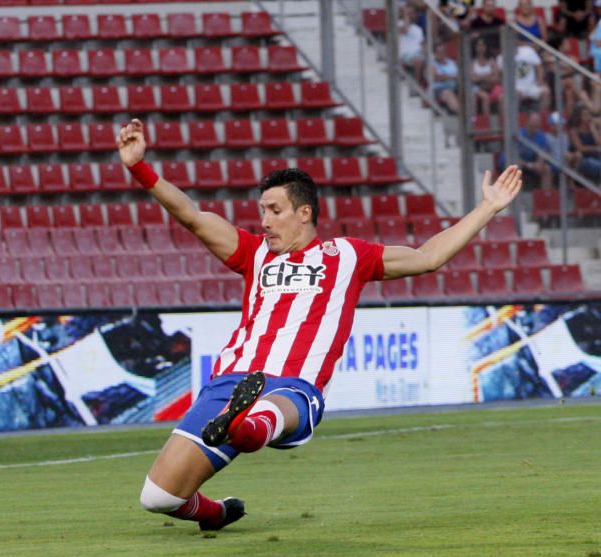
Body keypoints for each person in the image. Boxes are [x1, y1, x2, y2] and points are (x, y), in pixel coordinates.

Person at [116, 118, 523, 531]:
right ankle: (218, 510)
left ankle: (245, 425)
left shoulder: (348, 256)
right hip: (231, 380)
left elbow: (428, 257)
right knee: (158, 497)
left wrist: (487, 207)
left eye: (275, 211)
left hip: (294, 385)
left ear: (304, 212)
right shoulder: (254, 253)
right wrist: (139, 168)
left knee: (266, 417)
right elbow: (191, 215)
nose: (265, 222)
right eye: (262, 212)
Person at [567, 104, 601, 179]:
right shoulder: (574, 131)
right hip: (582, 159)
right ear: (579, 117)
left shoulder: (593, 129)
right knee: (594, 164)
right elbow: (581, 148)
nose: (588, 117)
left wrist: (593, 129)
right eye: (585, 115)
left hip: (596, 157)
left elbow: (599, 144)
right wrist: (595, 149)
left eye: (589, 115)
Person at [472, 37, 501, 115]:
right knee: (485, 97)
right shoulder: (472, 62)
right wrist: (488, 76)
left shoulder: (491, 61)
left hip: (491, 87)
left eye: (483, 45)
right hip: (476, 88)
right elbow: (473, 79)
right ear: (475, 47)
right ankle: (485, 121)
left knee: (501, 94)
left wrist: (480, 77)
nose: (481, 48)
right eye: (479, 45)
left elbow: (496, 78)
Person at [431, 43, 461, 114]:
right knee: (448, 93)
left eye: (442, 51)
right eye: (439, 52)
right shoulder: (432, 64)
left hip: (455, 86)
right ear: (435, 53)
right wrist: (451, 77)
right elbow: (437, 77)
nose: (441, 54)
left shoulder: (451, 62)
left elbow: (458, 75)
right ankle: (460, 114)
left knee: (469, 90)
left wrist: (446, 77)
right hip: (439, 89)